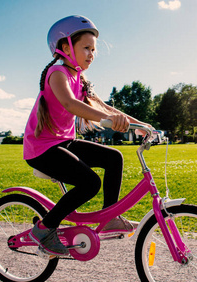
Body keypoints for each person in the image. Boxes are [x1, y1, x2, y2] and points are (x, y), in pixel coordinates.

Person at [23, 15, 150, 256]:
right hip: (41, 149)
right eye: (86, 48)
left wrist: (141, 124)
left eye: (94, 49)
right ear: (65, 47)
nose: (92, 54)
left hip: (64, 142)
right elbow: (70, 104)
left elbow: (106, 108)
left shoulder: (80, 78)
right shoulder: (57, 72)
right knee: (90, 182)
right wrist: (111, 122)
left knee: (114, 158)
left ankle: (111, 217)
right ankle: (44, 228)